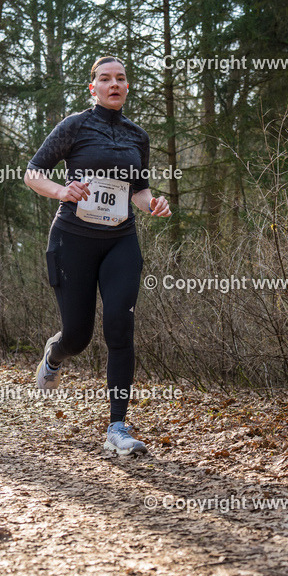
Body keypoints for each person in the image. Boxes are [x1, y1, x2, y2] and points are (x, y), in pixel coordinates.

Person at [24, 55, 171, 457]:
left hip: (121, 240)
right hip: (73, 240)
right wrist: (62, 191)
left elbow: (138, 189)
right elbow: (33, 172)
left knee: (119, 328)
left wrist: (152, 203)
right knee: (78, 336)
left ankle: (117, 426)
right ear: (94, 88)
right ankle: (55, 354)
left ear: (127, 87)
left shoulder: (137, 135)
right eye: (105, 79)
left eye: (120, 78)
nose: (114, 84)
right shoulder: (75, 126)